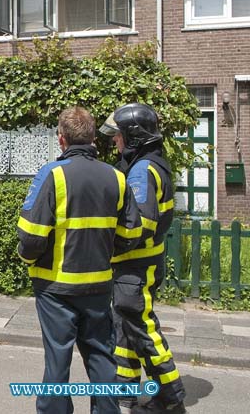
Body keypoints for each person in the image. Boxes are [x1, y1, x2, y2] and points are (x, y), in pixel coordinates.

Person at [17, 106, 143, 414]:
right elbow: (132, 233)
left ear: (61, 139)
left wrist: (26, 259)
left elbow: (30, 238)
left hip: (56, 288)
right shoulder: (117, 177)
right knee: (101, 356)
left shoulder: (52, 175)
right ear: (92, 138)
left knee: (58, 359)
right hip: (99, 286)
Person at [100, 104, 186, 414]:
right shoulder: (148, 165)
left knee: (144, 329)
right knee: (126, 330)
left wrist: (108, 247)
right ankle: (125, 393)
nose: (115, 142)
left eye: (119, 136)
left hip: (135, 265)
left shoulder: (142, 170)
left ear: (134, 137)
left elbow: (140, 225)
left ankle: (170, 397)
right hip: (137, 265)